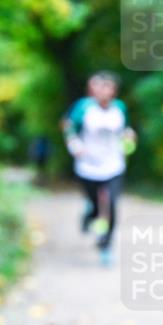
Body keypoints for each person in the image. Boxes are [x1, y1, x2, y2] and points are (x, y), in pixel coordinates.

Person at [62, 71, 136, 266]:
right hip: (88, 166)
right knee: (96, 207)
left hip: (113, 165)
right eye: (98, 86)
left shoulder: (120, 108)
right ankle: (91, 213)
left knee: (111, 204)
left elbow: (126, 129)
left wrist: (129, 137)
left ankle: (105, 244)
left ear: (114, 90)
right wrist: (74, 145)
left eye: (107, 86)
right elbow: (68, 126)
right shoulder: (83, 108)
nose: (102, 90)